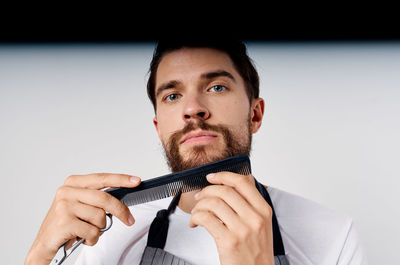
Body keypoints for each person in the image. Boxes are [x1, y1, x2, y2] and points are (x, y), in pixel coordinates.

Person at [24, 38, 368, 265]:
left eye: (216, 87)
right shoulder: (105, 235)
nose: (193, 108)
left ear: (255, 114)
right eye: (172, 95)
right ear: (160, 129)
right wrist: (39, 255)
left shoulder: (332, 236)